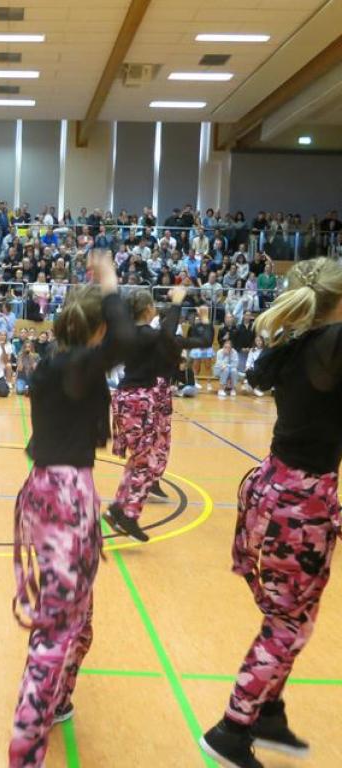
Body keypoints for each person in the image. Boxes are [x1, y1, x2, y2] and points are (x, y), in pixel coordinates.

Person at [200, 258, 342, 768]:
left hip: (281, 492)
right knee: (287, 624)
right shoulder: (330, 344)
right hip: (299, 505)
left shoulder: (302, 343)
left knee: (295, 618)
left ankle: (268, 712)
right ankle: (231, 730)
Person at [9, 253, 134, 767]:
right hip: (65, 494)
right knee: (61, 625)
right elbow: (125, 341)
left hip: (49, 489)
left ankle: (57, 698)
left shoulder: (55, 365)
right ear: (98, 329)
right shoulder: (75, 367)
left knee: (78, 618)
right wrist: (111, 283)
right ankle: (24, 748)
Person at [105, 286, 188, 542]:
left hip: (128, 399)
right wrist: (176, 304)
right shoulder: (145, 335)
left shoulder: (131, 334)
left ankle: (118, 507)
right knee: (146, 462)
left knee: (138, 459)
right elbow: (166, 336)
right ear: (148, 309)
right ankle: (129, 514)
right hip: (137, 402)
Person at [150, 303, 214, 500]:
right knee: (161, 440)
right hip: (158, 391)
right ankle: (149, 481)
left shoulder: (149, 336)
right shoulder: (173, 341)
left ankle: (147, 480)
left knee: (149, 439)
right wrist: (205, 319)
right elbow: (205, 341)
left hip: (144, 390)